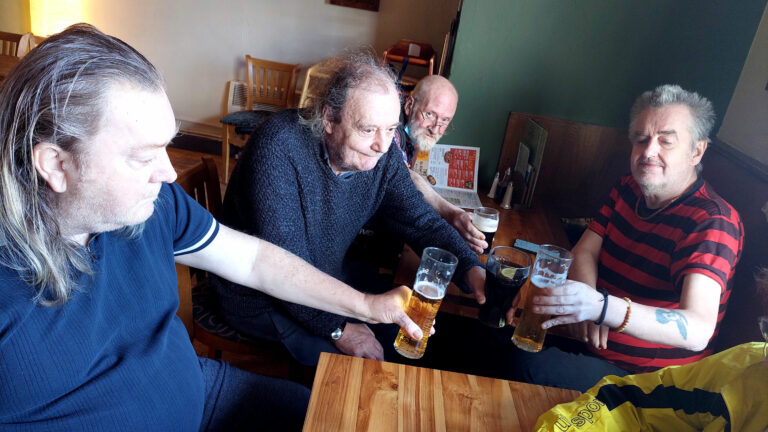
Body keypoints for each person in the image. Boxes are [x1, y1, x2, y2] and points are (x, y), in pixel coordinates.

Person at [0, 24, 427, 431]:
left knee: (320, 414)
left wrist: (366, 306)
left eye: (166, 147)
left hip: (201, 396)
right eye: (142, 157)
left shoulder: (154, 205)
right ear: (56, 164)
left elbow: (255, 260)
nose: (169, 173)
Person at [214, 54, 486, 366]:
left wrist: (472, 269)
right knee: (358, 368)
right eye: (368, 130)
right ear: (330, 118)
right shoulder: (278, 146)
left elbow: (420, 221)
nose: (382, 145)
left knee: (408, 337)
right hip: (259, 298)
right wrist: (338, 328)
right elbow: (283, 268)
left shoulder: (382, 155)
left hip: (326, 277)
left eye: (391, 129)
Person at [502, 84, 744, 391]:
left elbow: (698, 330)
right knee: (496, 332)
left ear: (696, 151)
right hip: (595, 346)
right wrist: (589, 308)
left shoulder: (713, 222)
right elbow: (584, 252)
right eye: (641, 139)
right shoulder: (629, 187)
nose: (648, 151)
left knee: (521, 364)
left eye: (666, 141)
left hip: (651, 381)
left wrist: (603, 309)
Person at [392, 76, 486, 253]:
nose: (435, 129)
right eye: (430, 114)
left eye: (444, 120)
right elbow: (401, 173)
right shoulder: (389, 117)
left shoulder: (413, 125)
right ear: (409, 105)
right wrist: (451, 213)